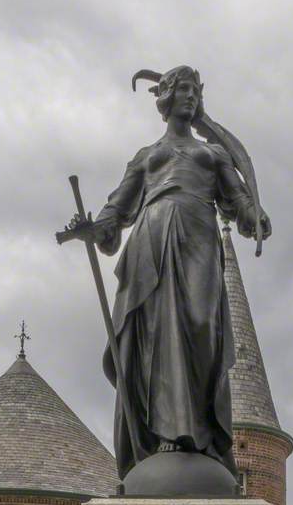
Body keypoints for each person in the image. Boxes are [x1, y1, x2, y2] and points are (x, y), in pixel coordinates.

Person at [65, 65, 271, 481]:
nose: (191, 97)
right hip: (150, 238)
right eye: (183, 90)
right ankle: (167, 435)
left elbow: (239, 201)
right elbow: (117, 210)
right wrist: (95, 229)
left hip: (197, 234)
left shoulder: (212, 155)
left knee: (199, 328)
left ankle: (202, 435)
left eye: (196, 90)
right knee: (154, 335)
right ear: (166, 98)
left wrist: (254, 216)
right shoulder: (146, 156)